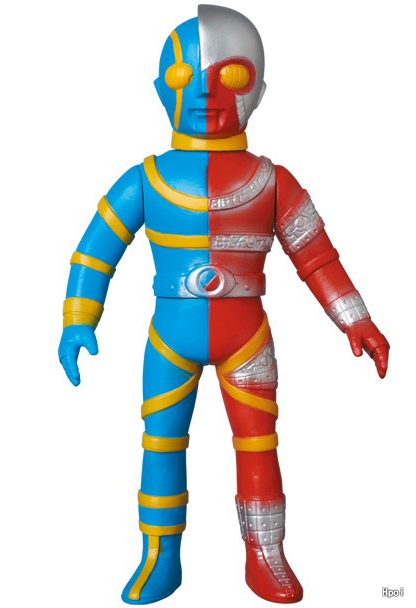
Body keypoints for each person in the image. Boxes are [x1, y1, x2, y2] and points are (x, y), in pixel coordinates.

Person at [58, 5, 389, 604]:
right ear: (160, 88)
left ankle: (266, 552)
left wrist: (355, 318)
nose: (204, 93)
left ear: (258, 88)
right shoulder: (145, 179)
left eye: (229, 76)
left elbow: (317, 258)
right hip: (172, 339)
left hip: (244, 338)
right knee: (161, 442)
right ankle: (159, 554)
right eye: (184, 77)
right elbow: (94, 254)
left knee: (258, 443)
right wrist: (79, 319)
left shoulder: (273, 180)